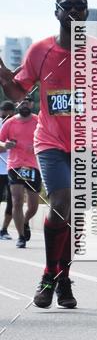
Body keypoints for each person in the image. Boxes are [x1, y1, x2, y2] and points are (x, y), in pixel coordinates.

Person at [0, 0, 97, 309]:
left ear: (86, 14)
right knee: (62, 200)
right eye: (67, 6)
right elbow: (17, 92)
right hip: (50, 141)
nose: (74, 12)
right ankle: (49, 275)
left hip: (88, 144)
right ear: (56, 12)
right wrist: (2, 73)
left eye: (80, 7)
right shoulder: (40, 51)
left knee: (79, 220)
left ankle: (62, 278)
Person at [0, 96, 40, 248]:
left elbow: (48, 138)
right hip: (14, 165)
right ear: (17, 104)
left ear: (32, 104)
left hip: (33, 167)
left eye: (27, 102)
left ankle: (25, 221)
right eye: (21, 101)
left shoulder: (38, 121)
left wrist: (37, 147)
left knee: (33, 206)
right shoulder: (9, 123)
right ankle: (21, 237)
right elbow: (0, 141)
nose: (24, 104)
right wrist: (6, 144)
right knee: (17, 200)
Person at [0, 100, 16, 240]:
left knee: (12, 202)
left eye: (9, 114)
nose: (6, 117)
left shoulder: (16, 124)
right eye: (4, 114)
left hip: (13, 169)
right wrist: (6, 146)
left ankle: (4, 230)